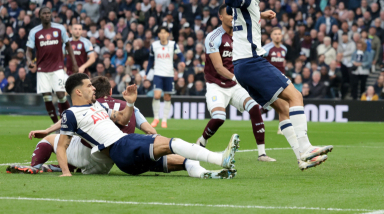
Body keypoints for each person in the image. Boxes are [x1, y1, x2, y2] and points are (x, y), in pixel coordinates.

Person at [225, 0, 332, 171]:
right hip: (251, 62)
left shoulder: (249, 1)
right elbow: (229, 1)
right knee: (296, 96)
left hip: (242, 66)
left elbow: (232, 11)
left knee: (283, 107)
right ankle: (307, 147)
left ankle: (301, 158)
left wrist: (259, 15)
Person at [56, 73, 239, 178]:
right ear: (78, 91)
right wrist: (65, 172)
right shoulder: (71, 114)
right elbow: (62, 145)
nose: (93, 88)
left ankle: (202, 172)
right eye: (89, 86)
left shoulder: (97, 105)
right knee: (169, 143)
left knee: (175, 159)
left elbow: (121, 119)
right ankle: (219, 159)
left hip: (125, 159)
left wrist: (129, 103)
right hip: (120, 146)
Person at [7, 76, 156, 175]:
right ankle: (59, 167)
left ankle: (37, 166)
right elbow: (150, 130)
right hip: (113, 161)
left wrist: (47, 130)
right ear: (111, 91)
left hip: (91, 152)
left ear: (94, 91)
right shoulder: (128, 107)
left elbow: (69, 118)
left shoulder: (93, 105)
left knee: (55, 140)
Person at [196, 4, 276, 162]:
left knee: (254, 108)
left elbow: (249, 17)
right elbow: (218, 67)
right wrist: (236, 78)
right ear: (220, 17)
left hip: (235, 85)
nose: (233, 17)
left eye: (234, 14)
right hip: (216, 85)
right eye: (229, 14)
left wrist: (263, 15)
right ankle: (202, 141)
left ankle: (262, 154)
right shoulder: (213, 37)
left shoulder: (240, 34)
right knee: (219, 118)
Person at [26, 7, 78, 123]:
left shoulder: (59, 29)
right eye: (44, 13)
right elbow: (29, 50)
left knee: (60, 94)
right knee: (47, 97)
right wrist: (29, 61)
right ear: (40, 16)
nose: (47, 15)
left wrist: (74, 63)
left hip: (57, 68)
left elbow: (68, 45)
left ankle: (69, 121)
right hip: (42, 69)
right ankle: (56, 124)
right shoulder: (34, 32)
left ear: (51, 15)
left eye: (48, 13)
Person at [146, 26, 185, 128]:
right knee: (157, 95)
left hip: (169, 74)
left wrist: (183, 62)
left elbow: (181, 55)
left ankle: (164, 120)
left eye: (165, 33)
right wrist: (146, 72)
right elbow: (150, 60)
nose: (163, 35)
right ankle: (156, 118)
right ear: (158, 35)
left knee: (167, 97)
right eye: (161, 33)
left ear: (168, 34)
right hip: (158, 73)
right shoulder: (154, 45)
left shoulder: (173, 45)